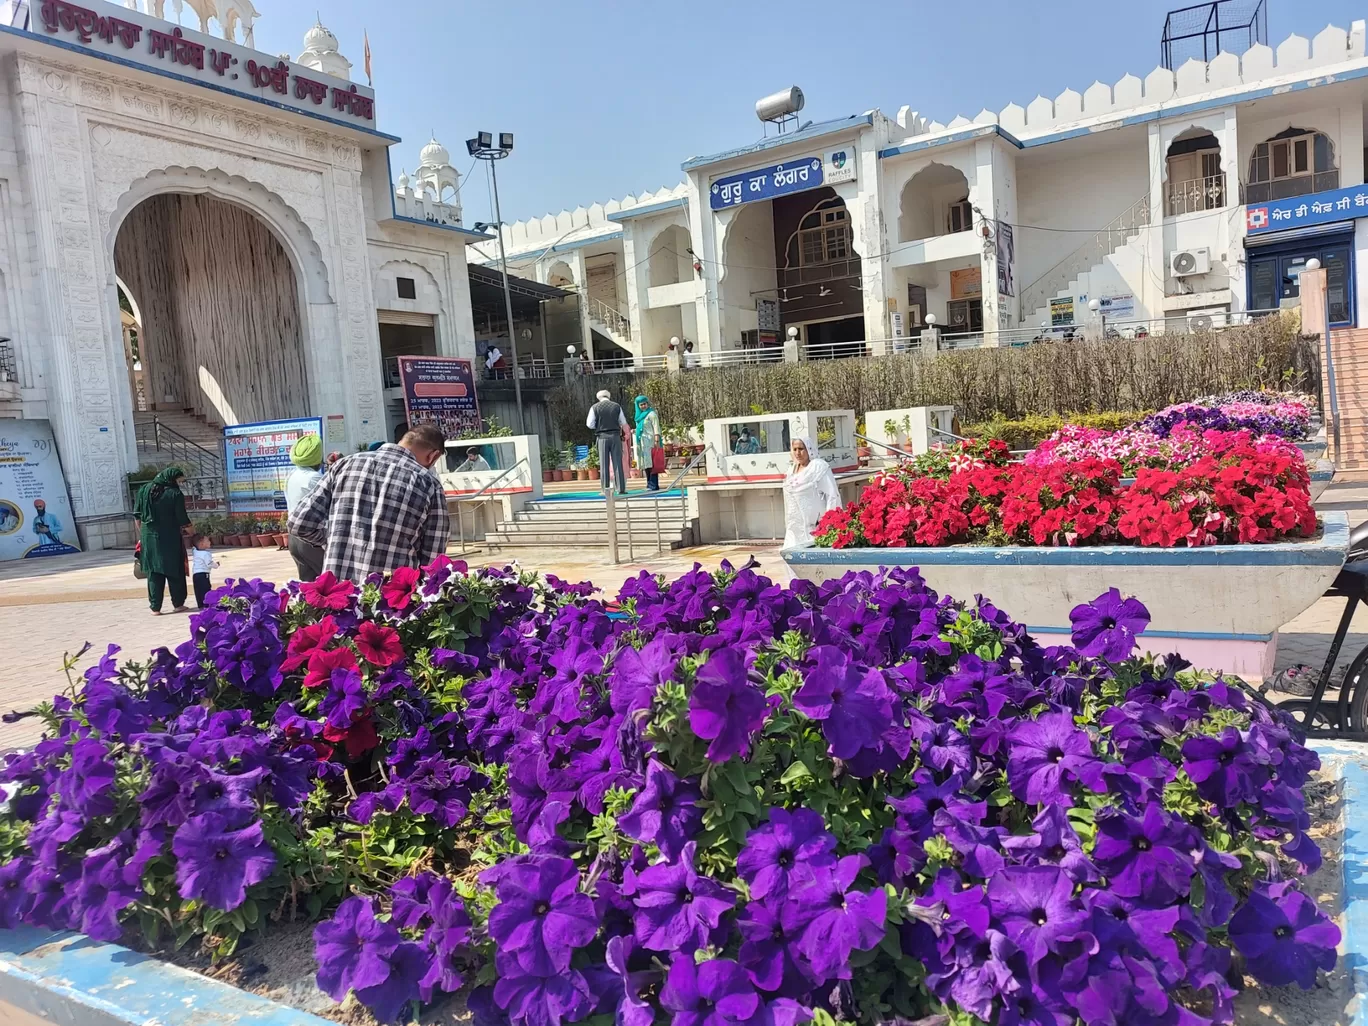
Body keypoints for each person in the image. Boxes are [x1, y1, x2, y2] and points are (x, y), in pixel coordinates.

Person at [289, 424, 451, 584]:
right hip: (393, 601)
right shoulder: (429, 484)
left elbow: (299, 523)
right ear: (433, 456)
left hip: (339, 595)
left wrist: (335, 538)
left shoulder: (343, 466)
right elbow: (433, 559)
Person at [134, 466, 191, 614]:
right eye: (180, 481)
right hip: (169, 536)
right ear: (172, 479)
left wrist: (144, 536)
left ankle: (155, 607)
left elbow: (137, 517)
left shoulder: (144, 490)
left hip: (148, 536)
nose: (180, 484)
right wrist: (194, 534)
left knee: (154, 572)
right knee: (174, 569)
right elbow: (182, 519)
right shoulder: (174, 494)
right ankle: (178, 604)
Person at [782, 437, 842, 549]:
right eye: (794, 449)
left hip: (813, 527)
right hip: (794, 528)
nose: (797, 453)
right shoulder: (791, 471)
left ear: (809, 449)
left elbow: (832, 495)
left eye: (801, 449)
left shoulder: (818, 468)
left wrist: (829, 521)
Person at [285, 433, 325, 583]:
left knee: (307, 584)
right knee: (330, 583)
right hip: (312, 538)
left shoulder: (291, 475)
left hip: (294, 538)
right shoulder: (315, 478)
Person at [586, 389, 628, 495]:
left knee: (604, 463)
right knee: (617, 462)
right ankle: (621, 488)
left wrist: (599, 425)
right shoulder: (616, 406)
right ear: (609, 396)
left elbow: (589, 424)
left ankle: (605, 489)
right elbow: (623, 422)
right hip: (615, 436)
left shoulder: (594, 407)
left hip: (602, 436)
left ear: (598, 397)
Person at [632, 394, 662, 492]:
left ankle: (654, 485)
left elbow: (656, 427)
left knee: (652, 463)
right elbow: (640, 428)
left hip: (651, 442)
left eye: (644, 404)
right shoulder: (639, 417)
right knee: (646, 464)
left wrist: (657, 440)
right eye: (641, 405)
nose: (643, 406)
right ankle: (649, 484)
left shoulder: (652, 414)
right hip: (642, 443)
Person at [189, 533, 220, 609]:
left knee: (198, 590)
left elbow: (194, 547)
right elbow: (209, 564)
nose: (210, 542)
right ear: (202, 544)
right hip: (203, 574)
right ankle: (207, 604)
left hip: (195, 574)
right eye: (208, 540)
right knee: (206, 589)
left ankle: (200, 604)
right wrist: (216, 565)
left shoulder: (195, 551)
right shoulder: (206, 554)